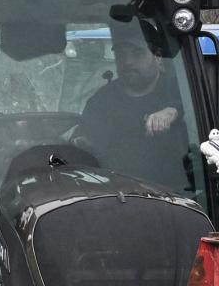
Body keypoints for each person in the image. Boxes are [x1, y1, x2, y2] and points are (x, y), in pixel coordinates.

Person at [75, 26, 187, 186]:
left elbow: (194, 113)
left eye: (137, 53)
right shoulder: (101, 101)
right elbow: (82, 143)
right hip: (114, 194)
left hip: (174, 196)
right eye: (121, 55)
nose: (128, 62)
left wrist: (171, 111)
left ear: (158, 56)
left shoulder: (180, 89)